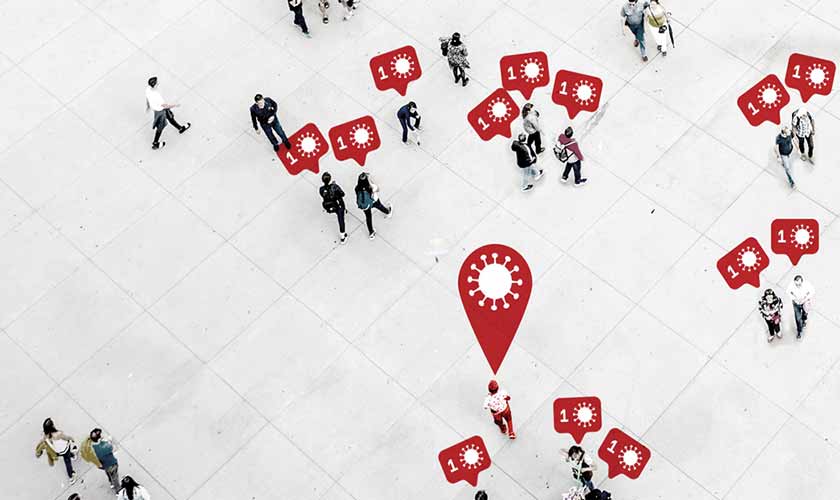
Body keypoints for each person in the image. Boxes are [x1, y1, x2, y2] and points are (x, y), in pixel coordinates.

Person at [145, 76, 190, 150]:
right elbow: (165, 106)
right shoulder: (157, 96)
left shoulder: (148, 89)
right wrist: (175, 105)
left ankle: (180, 128)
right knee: (160, 127)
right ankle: (155, 143)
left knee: (170, 117)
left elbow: (147, 98)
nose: (158, 83)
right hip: (160, 112)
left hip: (157, 110)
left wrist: (148, 106)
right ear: (154, 85)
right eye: (157, 83)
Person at [35, 418, 77, 484]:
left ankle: (72, 455)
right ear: (52, 426)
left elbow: (42, 441)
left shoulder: (46, 435)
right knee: (67, 462)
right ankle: (71, 476)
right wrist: (72, 439)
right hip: (65, 449)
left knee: (66, 455)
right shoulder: (58, 434)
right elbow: (67, 438)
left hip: (57, 451)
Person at [355, 172, 392, 240]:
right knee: (380, 206)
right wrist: (370, 180)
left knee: (368, 217)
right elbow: (378, 189)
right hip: (374, 201)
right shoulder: (370, 187)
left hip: (365, 205)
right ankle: (388, 212)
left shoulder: (357, 188)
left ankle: (371, 233)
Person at [319, 172, 348, 244]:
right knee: (341, 220)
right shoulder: (334, 187)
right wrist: (334, 186)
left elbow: (325, 195)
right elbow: (342, 194)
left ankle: (343, 236)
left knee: (338, 214)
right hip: (338, 205)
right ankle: (343, 236)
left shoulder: (321, 189)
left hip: (329, 206)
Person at [787, 275, 814, 340]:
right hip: (796, 303)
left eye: (799, 284)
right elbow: (788, 292)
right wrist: (794, 299)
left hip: (805, 302)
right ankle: (799, 331)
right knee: (798, 318)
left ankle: (804, 319)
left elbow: (812, 291)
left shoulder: (807, 285)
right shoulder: (791, 285)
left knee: (805, 313)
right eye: (796, 284)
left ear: (802, 281)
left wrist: (805, 299)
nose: (798, 286)